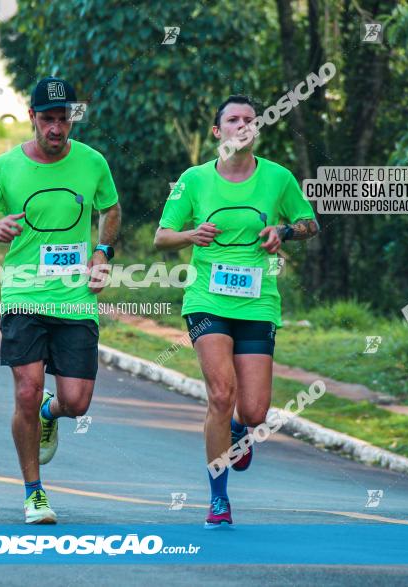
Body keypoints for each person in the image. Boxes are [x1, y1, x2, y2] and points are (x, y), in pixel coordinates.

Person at [0, 77, 121, 524]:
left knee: (77, 402)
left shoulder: (92, 163)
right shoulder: (5, 167)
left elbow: (110, 209)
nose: (56, 128)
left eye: (63, 119)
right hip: (24, 293)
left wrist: (102, 252)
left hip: (75, 300)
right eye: (47, 119)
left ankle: (54, 412)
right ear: (31, 117)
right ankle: (34, 493)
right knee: (27, 391)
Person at [154, 95, 319, 528]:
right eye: (233, 119)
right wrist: (192, 233)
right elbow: (162, 237)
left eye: (250, 119)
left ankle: (242, 432)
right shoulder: (193, 180)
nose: (242, 125)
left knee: (255, 412)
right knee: (221, 396)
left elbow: (310, 224)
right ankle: (218, 498)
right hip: (207, 300)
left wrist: (283, 229)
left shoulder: (278, 178)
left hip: (258, 302)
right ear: (218, 132)